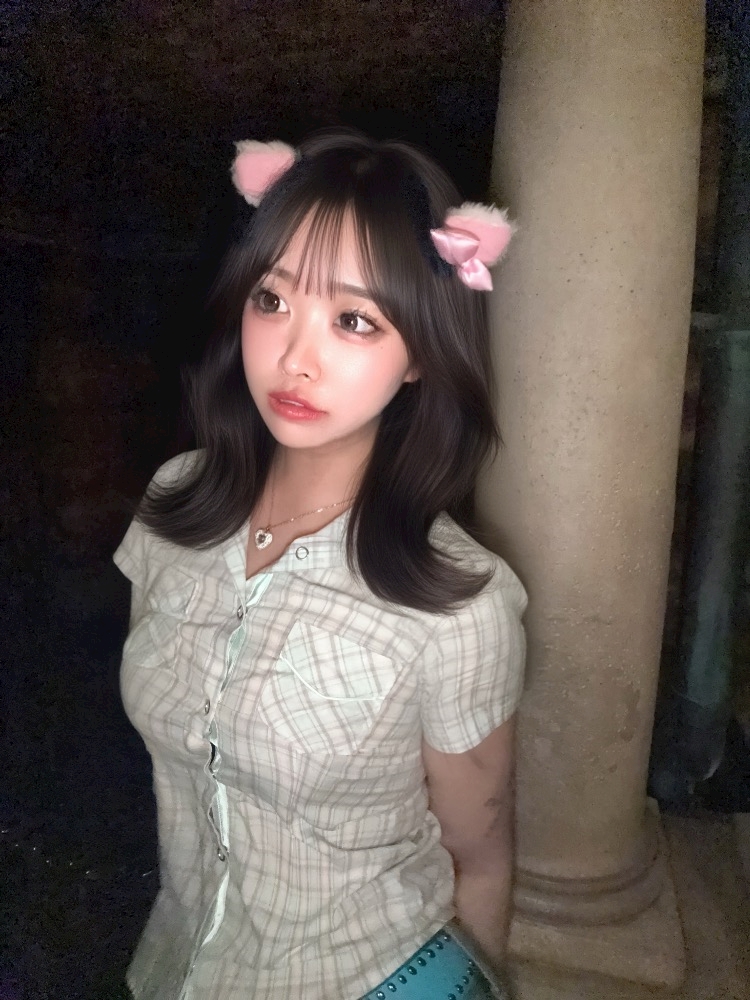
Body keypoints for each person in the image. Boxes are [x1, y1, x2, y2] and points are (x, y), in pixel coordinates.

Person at [113, 128, 526, 1000]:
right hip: (172, 964)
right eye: (271, 300)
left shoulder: (460, 606)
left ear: (421, 354)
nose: (294, 358)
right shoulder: (174, 504)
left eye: (354, 320)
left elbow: (479, 857)